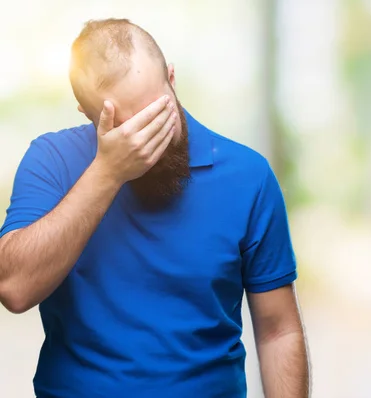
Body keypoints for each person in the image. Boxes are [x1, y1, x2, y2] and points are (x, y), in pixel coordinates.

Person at [0, 18, 309, 398]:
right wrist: (108, 172)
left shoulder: (248, 176)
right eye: (128, 127)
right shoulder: (52, 160)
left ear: (172, 79)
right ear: (87, 113)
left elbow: (279, 330)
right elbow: (14, 288)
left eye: (158, 112)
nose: (149, 138)